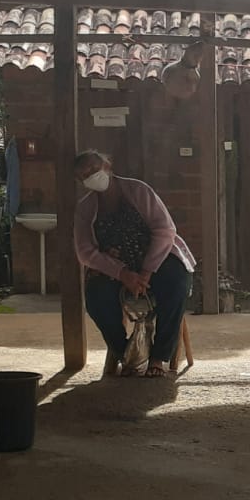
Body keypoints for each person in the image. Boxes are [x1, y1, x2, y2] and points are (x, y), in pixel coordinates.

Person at [72, 150, 196, 379]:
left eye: (94, 169)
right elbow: (86, 252)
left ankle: (159, 356)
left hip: (157, 259)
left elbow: (165, 230)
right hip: (115, 268)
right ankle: (126, 353)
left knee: (176, 284)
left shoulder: (138, 190)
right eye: (85, 175)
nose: (91, 176)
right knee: (96, 297)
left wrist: (146, 271)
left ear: (107, 165)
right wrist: (122, 273)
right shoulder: (85, 208)